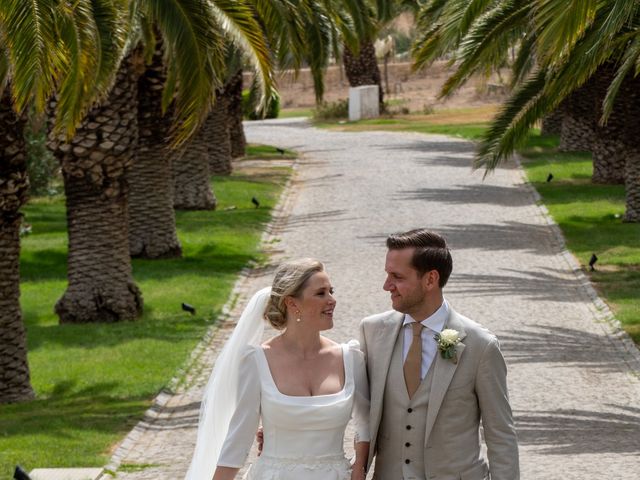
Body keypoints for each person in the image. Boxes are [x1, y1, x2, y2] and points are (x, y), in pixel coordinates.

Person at [184, 258, 370, 480]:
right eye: (321, 293)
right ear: (292, 303)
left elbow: (365, 424)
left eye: (331, 291)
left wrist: (359, 470)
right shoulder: (256, 361)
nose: (332, 300)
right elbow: (239, 438)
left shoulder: (350, 357)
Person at [360, 229, 519, 479]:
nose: (386, 285)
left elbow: (500, 433)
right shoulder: (372, 333)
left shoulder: (481, 345)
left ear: (430, 279)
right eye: (387, 275)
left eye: (397, 277)